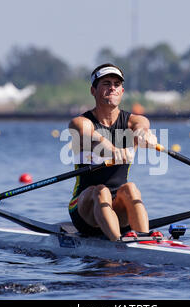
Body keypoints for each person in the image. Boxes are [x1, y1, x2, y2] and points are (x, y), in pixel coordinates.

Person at [68, 63, 158, 241]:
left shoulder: (134, 121)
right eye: (106, 83)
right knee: (101, 191)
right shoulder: (81, 123)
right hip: (85, 209)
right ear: (93, 91)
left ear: (122, 91)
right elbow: (92, 138)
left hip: (119, 208)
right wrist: (111, 150)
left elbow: (142, 126)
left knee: (131, 189)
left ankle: (145, 241)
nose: (112, 88)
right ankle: (118, 244)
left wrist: (145, 136)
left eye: (117, 84)